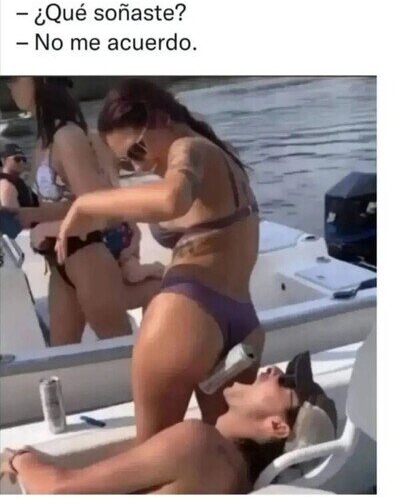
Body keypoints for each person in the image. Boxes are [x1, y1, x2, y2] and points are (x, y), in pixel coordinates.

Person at [56, 78, 265, 441]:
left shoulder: (187, 148)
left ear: (160, 118)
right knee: (227, 455)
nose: (139, 166)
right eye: (128, 161)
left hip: (187, 315)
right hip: (242, 321)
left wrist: (85, 204)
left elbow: (171, 200)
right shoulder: (221, 157)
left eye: (137, 151)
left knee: (152, 454)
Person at [0, 352, 337, 494]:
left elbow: (59, 490)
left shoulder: (199, 443)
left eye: (285, 383)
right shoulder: (233, 476)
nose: (274, 371)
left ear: (276, 427)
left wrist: (18, 459)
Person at [4, 76, 162, 346]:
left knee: (117, 347)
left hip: (87, 255)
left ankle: (166, 289)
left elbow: (97, 208)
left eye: (13, 78)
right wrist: (25, 216)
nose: (9, 85)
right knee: (63, 355)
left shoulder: (67, 136)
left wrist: (48, 229)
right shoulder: (44, 141)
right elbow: (70, 204)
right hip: (60, 263)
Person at [0, 143, 38, 208]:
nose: (22, 162)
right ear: (4, 160)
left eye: (24, 159)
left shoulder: (19, 182)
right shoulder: (6, 184)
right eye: (17, 159)